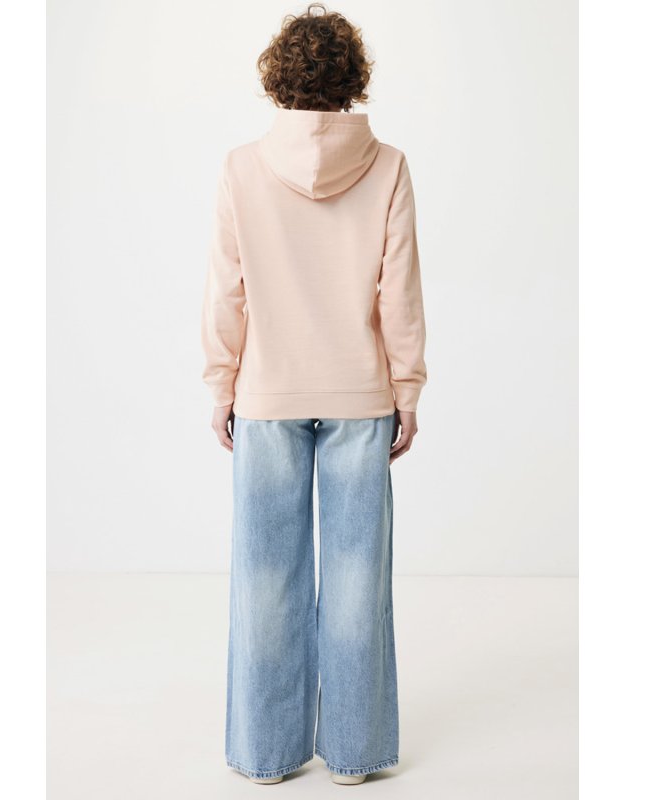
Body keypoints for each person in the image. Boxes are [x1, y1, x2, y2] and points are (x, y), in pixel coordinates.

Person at [200, 3, 427, 786]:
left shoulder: (241, 167)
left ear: (278, 79)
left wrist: (222, 383)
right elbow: (400, 294)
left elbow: (225, 292)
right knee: (359, 581)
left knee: (266, 578)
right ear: (353, 79)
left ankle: (267, 755)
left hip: (267, 393)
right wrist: (407, 388)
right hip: (361, 395)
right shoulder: (388, 165)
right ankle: (355, 755)